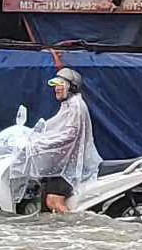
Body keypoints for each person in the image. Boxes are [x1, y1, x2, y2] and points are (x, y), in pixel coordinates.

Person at [23, 67, 102, 214]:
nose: (56, 89)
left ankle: (73, 228)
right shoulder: (67, 105)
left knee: (52, 200)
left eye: (60, 85)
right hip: (61, 164)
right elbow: (54, 126)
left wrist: (41, 143)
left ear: (71, 87)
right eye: (55, 85)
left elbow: (69, 136)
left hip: (70, 168)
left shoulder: (75, 106)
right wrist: (32, 134)